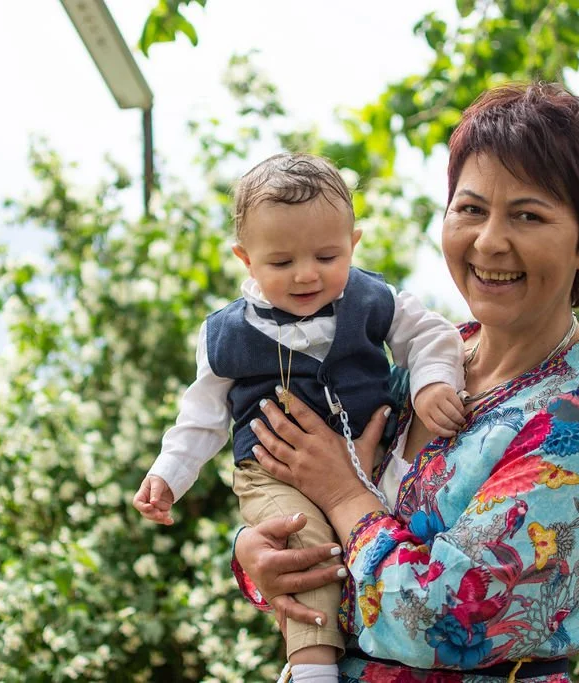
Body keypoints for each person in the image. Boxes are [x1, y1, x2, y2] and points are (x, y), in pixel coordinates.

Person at [232, 83, 579, 682]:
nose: (489, 241)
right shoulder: (424, 360)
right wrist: (257, 555)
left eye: (528, 215)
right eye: (471, 209)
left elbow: (448, 620)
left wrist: (345, 495)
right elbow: (298, 506)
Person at [132, 153, 469, 682]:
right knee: (305, 543)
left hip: (367, 463)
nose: (307, 274)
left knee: (380, 532)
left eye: (327, 255)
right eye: (282, 263)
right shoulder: (227, 333)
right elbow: (201, 416)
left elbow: (431, 334)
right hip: (272, 471)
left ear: (353, 245)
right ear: (247, 260)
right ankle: (312, 671)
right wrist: (168, 475)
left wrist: (431, 383)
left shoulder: (369, 298)